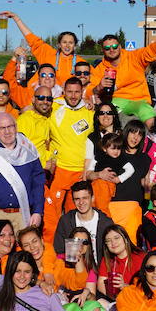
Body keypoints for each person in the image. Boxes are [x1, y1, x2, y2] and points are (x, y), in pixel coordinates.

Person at [0, 113, 44, 235]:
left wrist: (37, 211)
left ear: (16, 127)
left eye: (10, 126)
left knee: (23, 253)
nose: (7, 132)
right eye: (2, 128)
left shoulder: (28, 150)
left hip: (23, 214)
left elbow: (38, 183)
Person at [44, 78, 94, 240]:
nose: (73, 96)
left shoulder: (89, 111)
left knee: (76, 218)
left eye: (77, 92)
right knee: (52, 215)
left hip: (80, 172)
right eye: (70, 91)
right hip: (58, 170)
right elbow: (36, 106)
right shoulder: (54, 106)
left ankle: (76, 253)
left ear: (82, 92)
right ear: (63, 91)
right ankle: (52, 250)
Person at [89, 30, 156, 126]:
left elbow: (149, 51)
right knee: (108, 115)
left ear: (120, 46)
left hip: (138, 99)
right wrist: (99, 87)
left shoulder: (133, 57)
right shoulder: (100, 68)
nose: (111, 49)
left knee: (147, 114)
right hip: (117, 100)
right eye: (107, 48)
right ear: (103, 50)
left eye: (114, 46)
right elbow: (90, 90)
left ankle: (154, 139)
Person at [0, 12, 84, 84]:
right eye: (64, 42)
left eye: (71, 43)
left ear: (75, 45)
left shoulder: (81, 63)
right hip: (42, 99)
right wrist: (16, 19)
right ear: (59, 44)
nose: (67, 46)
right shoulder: (48, 54)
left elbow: (93, 81)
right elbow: (32, 39)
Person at [52, 181, 114, 264]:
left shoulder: (105, 223)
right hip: (74, 270)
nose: (81, 202)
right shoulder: (66, 221)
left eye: (85, 198)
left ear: (92, 198)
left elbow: (112, 253)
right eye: (77, 199)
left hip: (99, 270)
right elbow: (59, 250)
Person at [96, 225, 144, 303]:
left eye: (116, 238)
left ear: (125, 239)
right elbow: (101, 284)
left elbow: (146, 289)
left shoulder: (140, 258)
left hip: (136, 300)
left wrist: (125, 286)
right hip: (114, 300)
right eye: (108, 240)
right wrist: (113, 296)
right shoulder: (107, 259)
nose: (113, 243)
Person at [16, 87, 53, 168]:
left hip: (42, 172)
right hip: (30, 171)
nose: (45, 101)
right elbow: (19, 151)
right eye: (41, 98)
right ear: (33, 99)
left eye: (49, 99)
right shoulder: (25, 119)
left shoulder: (46, 118)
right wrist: (43, 165)